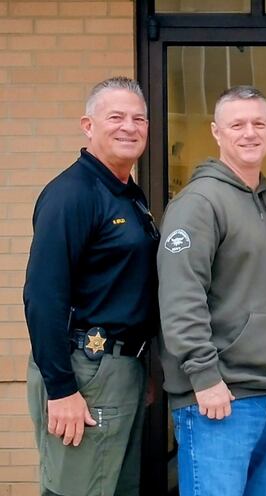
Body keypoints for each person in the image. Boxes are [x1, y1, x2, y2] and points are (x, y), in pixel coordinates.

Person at [157, 86, 266, 495]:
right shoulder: (199, 203)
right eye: (237, 124)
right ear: (217, 132)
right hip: (218, 399)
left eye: (258, 123)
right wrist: (203, 377)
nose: (249, 133)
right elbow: (181, 296)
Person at [23, 76, 158, 496]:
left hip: (121, 369)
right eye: (115, 117)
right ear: (88, 125)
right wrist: (62, 389)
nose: (129, 127)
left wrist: (139, 367)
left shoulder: (126, 194)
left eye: (139, 118)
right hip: (84, 370)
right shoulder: (72, 194)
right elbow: (43, 296)